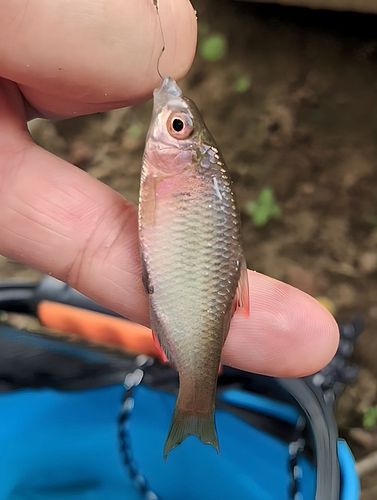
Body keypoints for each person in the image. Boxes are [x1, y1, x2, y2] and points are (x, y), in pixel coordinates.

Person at [0, 0, 338, 378]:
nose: (168, 122)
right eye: (179, 125)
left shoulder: (188, 178)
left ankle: (196, 393)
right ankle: (195, 391)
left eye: (177, 127)